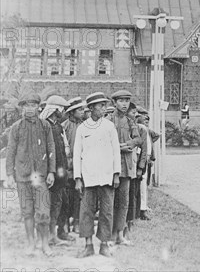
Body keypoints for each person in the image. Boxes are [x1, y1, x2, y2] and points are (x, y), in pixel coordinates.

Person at [5, 93, 56, 256]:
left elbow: (51, 149)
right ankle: (30, 244)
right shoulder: (16, 127)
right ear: (22, 108)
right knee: (27, 212)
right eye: (26, 105)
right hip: (22, 176)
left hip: (40, 177)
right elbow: (11, 151)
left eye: (33, 105)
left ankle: (44, 244)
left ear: (38, 107)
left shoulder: (45, 126)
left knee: (43, 212)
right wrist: (10, 174)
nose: (29, 108)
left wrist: (52, 172)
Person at [73, 92, 121, 258]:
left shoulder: (109, 126)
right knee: (86, 211)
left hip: (107, 176)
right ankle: (88, 245)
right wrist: (78, 178)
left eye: (104, 105)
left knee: (107, 211)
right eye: (100, 105)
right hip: (88, 177)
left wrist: (116, 174)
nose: (103, 108)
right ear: (91, 108)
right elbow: (76, 154)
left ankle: (104, 245)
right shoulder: (82, 128)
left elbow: (116, 151)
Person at [109, 90, 143, 246]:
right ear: (114, 102)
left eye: (127, 101)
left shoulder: (130, 121)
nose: (124, 104)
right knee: (110, 201)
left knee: (124, 201)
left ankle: (120, 235)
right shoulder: (108, 120)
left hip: (127, 167)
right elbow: (103, 141)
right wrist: (118, 147)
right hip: (110, 166)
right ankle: (109, 235)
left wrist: (129, 144)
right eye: (121, 101)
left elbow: (138, 139)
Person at [40, 95, 70, 247]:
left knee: (59, 204)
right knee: (48, 205)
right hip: (49, 174)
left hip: (60, 173)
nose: (63, 112)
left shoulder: (58, 127)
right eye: (62, 109)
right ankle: (48, 236)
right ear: (54, 109)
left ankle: (54, 234)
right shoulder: (44, 126)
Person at [58, 97, 86, 238]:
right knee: (66, 196)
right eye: (80, 110)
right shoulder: (64, 127)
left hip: (81, 166)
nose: (83, 112)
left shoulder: (85, 126)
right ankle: (65, 225)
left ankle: (76, 222)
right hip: (67, 167)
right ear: (72, 112)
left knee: (79, 195)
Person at [125, 103, 147, 238]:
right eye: (133, 114)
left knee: (133, 195)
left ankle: (131, 220)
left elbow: (144, 149)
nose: (135, 117)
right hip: (125, 167)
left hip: (134, 167)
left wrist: (140, 167)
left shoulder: (140, 129)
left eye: (136, 115)